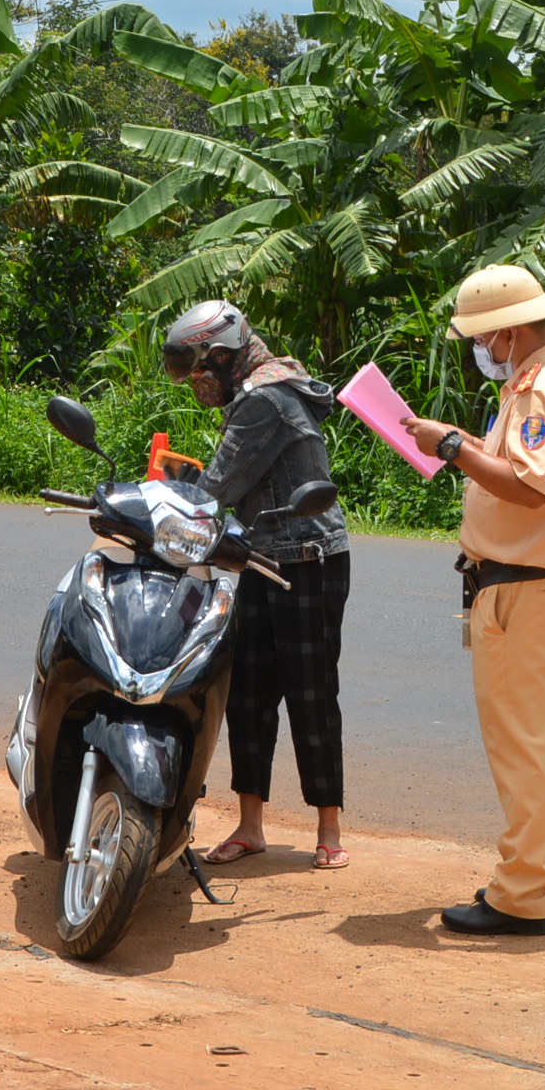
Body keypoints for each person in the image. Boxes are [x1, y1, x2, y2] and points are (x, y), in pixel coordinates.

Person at [406, 263, 545, 937]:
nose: (479, 351)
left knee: (523, 746)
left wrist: (453, 445)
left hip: (522, 592)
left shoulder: (539, 392)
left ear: (509, 332)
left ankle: (522, 893)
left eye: (482, 339)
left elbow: (529, 487)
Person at [160, 301, 353, 871]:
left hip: (308, 560)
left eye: (198, 368)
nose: (196, 380)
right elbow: (231, 482)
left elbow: (217, 489)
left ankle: (330, 829)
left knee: (310, 693)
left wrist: (179, 499)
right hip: (262, 557)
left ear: (222, 356)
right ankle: (250, 827)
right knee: (248, 693)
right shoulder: (253, 394)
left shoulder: (264, 399)